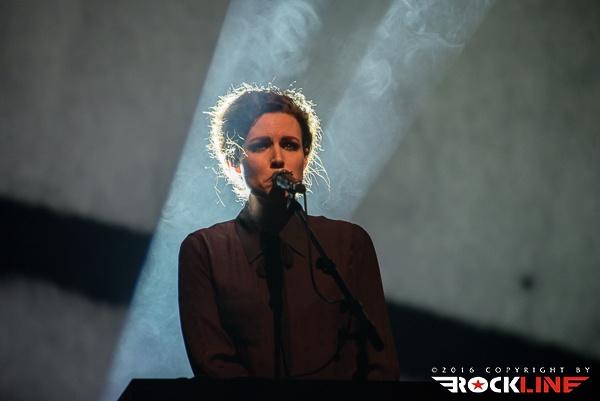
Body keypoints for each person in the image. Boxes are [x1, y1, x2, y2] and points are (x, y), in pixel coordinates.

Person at [178, 83, 400, 380]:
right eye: (261, 145)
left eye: (290, 145)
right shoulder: (205, 251)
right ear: (233, 161)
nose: (278, 158)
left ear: (305, 157)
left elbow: (381, 364)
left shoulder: (349, 243)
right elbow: (213, 365)